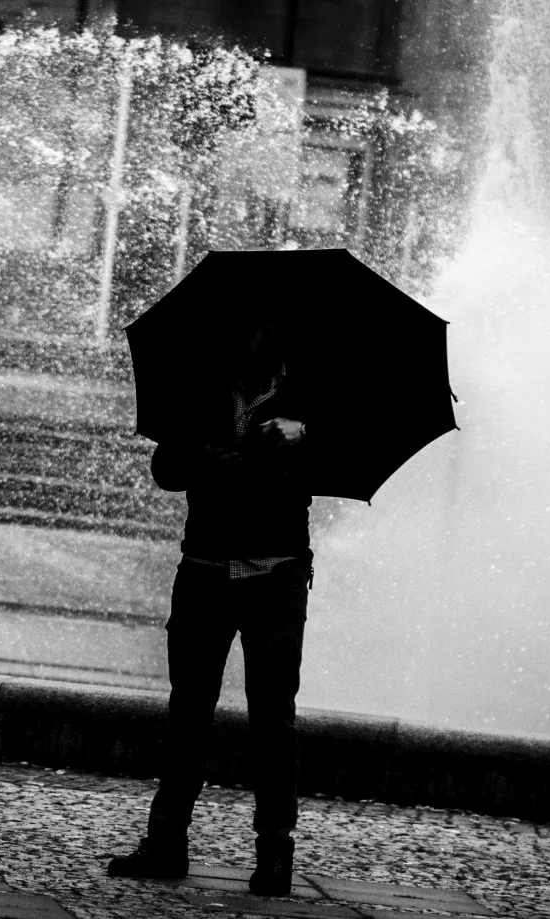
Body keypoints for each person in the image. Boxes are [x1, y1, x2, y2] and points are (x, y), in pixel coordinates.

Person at [107, 318, 314, 897]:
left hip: (276, 572)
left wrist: (306, 436)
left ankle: (276, 853)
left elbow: (337, 462)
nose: (254, 335)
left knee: (272, 717)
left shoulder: (306, 394)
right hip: (204, 571)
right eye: (247, 326)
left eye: (263, 327)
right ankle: (166, 840)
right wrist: (203, 458)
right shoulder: (200, 388)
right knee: (189, 711)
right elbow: (165, 471)